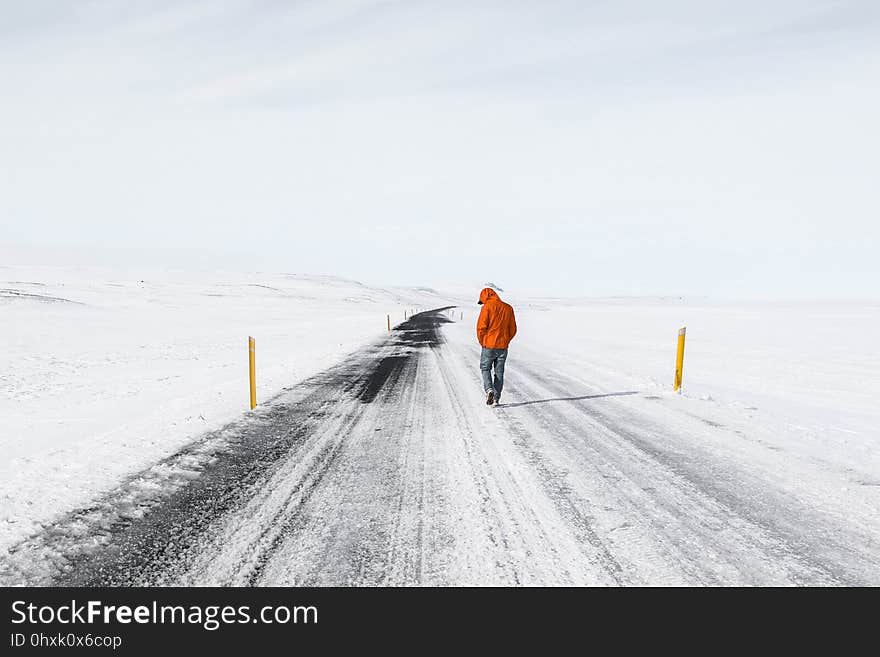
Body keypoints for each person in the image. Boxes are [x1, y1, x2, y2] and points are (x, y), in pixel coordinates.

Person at [476, 287, 517, 406]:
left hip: (489, 345)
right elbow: (513, 329)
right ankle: (496, 398)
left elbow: (481, 328)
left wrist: (483, 342)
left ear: (485, 298)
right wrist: (505, 340)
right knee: (499, 373)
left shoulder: (487, 308)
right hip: (503, 347)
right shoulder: (508, 308)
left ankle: (489, 390)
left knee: (485, 368)